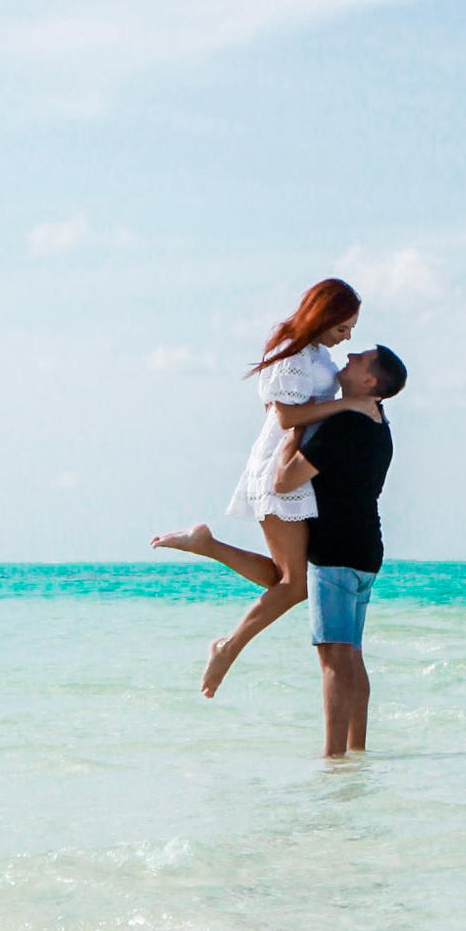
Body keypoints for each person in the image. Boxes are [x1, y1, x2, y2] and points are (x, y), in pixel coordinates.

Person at [152, 277, 362, 698]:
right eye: (342, 329)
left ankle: (206, 544)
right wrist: (348, 403)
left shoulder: (315, 352)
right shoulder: (293, 355)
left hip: (297, 468)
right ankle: (227, 648)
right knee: (296, 584)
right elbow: (286, 416)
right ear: (323, 317)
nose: (347, 338)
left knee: (290, 580)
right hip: (277, 470)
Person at [274, 346, 404, 759]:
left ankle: (332, 758)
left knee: (333, 660)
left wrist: (292, 435)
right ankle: (357, 752)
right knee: (352, 656)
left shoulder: (345, 423)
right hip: (367, 550)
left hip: (334, 552)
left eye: (359, 359)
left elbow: (283, 481)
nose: (348, 355)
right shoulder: (380, 424)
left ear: (370, 382)